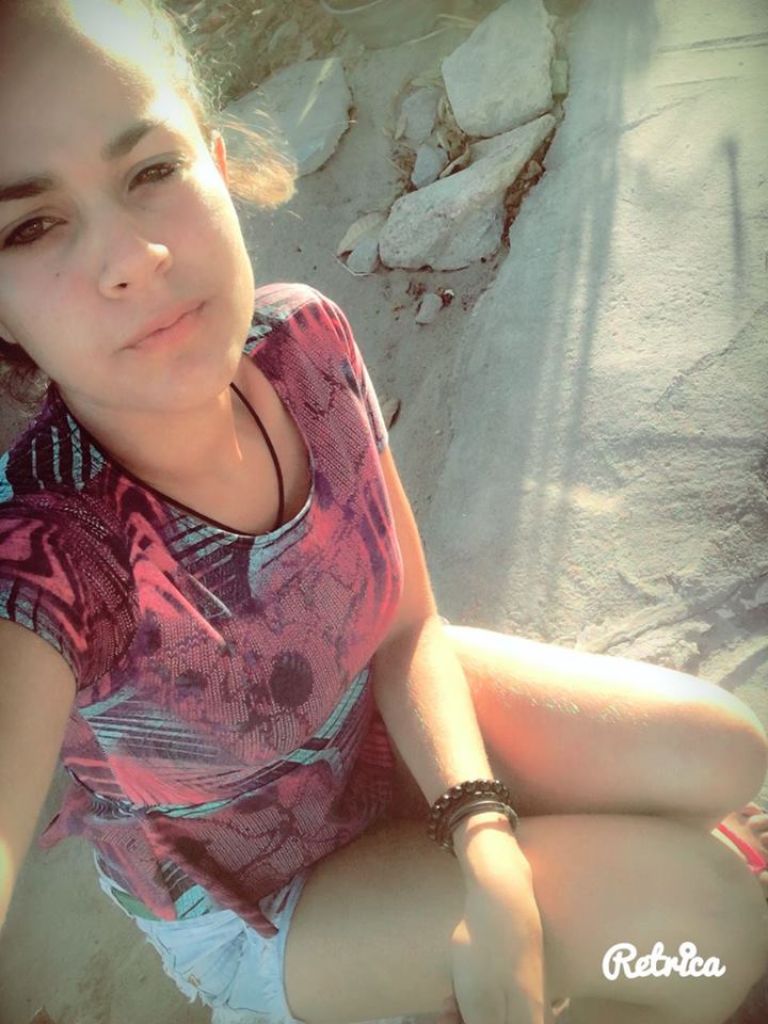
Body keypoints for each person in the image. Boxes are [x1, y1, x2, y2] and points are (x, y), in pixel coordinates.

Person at [0, 2, 766, 1023]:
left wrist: (484, 836)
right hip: (259, 903)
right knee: (703, 924)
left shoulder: (304, 343)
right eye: (31, 225)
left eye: (151, 169)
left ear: (217, 163)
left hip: (373, 723)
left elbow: (405, 628)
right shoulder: (49, 550)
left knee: (727, 751)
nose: (129, 256)